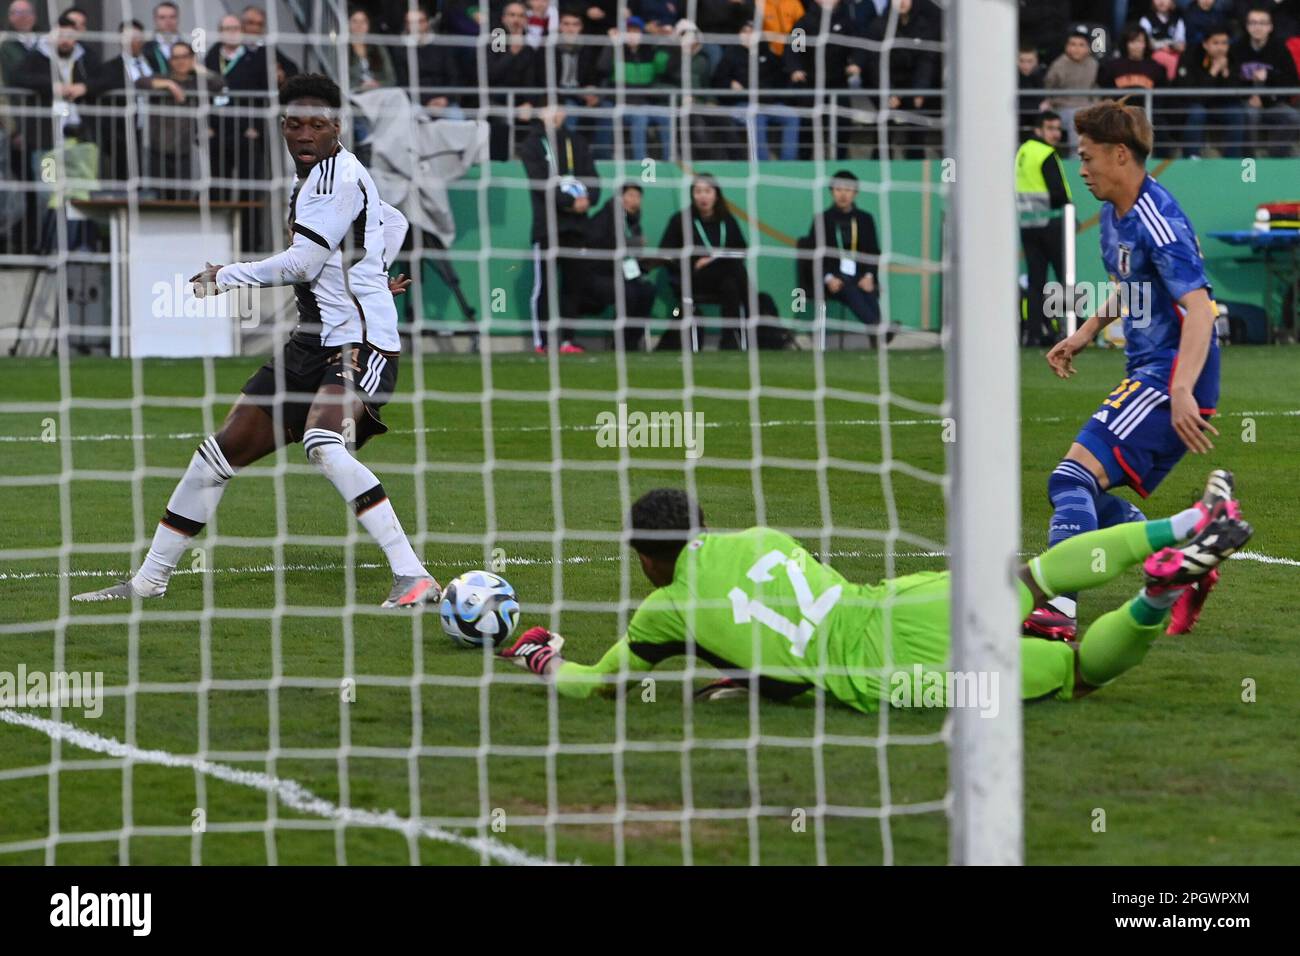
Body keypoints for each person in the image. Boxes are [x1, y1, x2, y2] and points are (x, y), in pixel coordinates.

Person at [74, 74, 439, 610]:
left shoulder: (333, 178)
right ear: (282, 126)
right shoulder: (317, 176)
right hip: (310, 344)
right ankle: (148, 582)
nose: (304, 133)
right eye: (294, 123)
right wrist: (372, 267)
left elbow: (303, 263)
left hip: (361, 342)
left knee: (323, 444)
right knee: (214, 458)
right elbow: (393, 219)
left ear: (337, 125)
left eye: (317, 124)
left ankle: (413, 575)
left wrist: (226, 275)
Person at [498, 479, 1252, 712]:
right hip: (897, 600)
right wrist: (749, 677)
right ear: (705, 525)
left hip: (885, 669)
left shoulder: (661, 613)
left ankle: (1154, 598)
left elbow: (600, 687)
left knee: (1082, 670)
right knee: (1037, 578)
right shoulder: (758, 537)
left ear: (645, 557)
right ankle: (1186, 522)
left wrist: (541, 657)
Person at [1029, 100, 1223, 642]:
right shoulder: (1116, 217)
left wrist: (1181, 388)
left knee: (1070, 478)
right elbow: (1129, 286)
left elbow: (1201, 308)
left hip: (1171, 372)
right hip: (1153, 369)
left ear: (1120, 155)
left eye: (1088, 157)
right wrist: (1084, 334)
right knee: (1080, 488)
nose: (1082, 167)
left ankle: (1058, 607)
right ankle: (1185, 561)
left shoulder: (1158, 220)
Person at [520, 107, 601, 353]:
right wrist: (568, 202)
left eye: (559, 108)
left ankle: (567, 340)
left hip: (577, 228)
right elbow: (539, 182)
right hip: (548, 227)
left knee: (573, 286)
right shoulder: (532, 145)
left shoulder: (577, 142)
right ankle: (542, 342)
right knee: (543, 286)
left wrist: (589, 198)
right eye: (549, 109)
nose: (554, 114)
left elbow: (592, 178)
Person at [657, 172, 751, 350]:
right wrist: (694, 261)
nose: (703, 196)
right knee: (736, 275)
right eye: (698, 191)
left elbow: (741, 250)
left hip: (725, 278)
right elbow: (666, 253)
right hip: (694, 277)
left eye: (707, 191)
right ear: (692, 195)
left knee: (731, 283)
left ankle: (729, 338)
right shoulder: (680, 220)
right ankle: (749, 326)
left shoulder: (727, 220)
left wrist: (712, 259)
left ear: (716, 194)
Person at [804, 170, 886, 341]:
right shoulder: (822, 219)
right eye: (838, 189)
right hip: (834, 278)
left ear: (855, 193)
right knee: (850, 289)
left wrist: (870, 276)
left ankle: (877, 332)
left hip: (860, 274)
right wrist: (828, 278)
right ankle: (880, 331)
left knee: (867, 290)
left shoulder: (865, 219)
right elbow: (814, 255)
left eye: (848, 190)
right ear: (832, 192)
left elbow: (873, 252)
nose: (843, 195)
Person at [1015, 111, 1070, 348]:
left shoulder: (1022, 152)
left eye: (1058, 128)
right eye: (1051, 128)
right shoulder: (1046, 154)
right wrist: (1068, 206)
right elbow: (1058, 194)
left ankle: (1033, 333)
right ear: (1039, 129)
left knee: (1036, 282)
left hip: (1028, 223)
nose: (1056, 133)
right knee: (1066, 278)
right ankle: (1072, 330)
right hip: (1052, 222)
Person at [582, 182, 659, 348]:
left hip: (625, 275)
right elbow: (598, 245)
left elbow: (630, 258)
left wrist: (647, 264)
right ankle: (619, 343)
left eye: (638, 197)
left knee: (647, 290)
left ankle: (632, 341)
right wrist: (630, 243)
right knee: (628, 292)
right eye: (630, 195)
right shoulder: (603, 217)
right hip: (599, 275)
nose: (635, 200)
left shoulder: (634, 225)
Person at [1231, 5, 1300, 157]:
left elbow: (1292, 81)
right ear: (1247, 26)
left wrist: (1269, 77)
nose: (1258, 27)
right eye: (1253, 23)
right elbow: (1231, 80)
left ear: (1270, 27)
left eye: (1262, 23)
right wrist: (1249, 96)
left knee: (1294, 117)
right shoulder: (1237, 48)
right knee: (1250, 115)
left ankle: (1275, 160)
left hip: (1272, 104)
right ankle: (1250, 164)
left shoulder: (1280, 48)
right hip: (1245, 103)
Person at [1175, 26, 1244, 157]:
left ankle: (1232, 160)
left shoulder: (1232, 58)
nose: (1220, 47)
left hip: (1218, 106)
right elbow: (1192, 95)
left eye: (1224, 43)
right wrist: (1213, 72)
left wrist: (1225, 73)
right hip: (1191, 105)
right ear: (1205, 44)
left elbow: (1236, 95)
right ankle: (1191, 158)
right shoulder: (1190, 57)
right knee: (1198, 111)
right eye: (1216, 43)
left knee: (1237, 113)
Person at [1044, 26, 1099, 155]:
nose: (1076, 48)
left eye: (1081, 45)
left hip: (1087, 107)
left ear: (1088, 48)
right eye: (1072, 44)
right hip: (1062, 108)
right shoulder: (1058, 65)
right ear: (1066, 47)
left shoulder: (1094, 65)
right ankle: (1076, 160)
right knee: (1076, 118)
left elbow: (1096, 89)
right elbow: (1048, 88)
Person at [141, 1, 180, 75]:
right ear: (155, 20)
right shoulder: (145, 49)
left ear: (178, 19)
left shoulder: (188, 48)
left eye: (172, 17)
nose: (168, 21)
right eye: (162, 17)